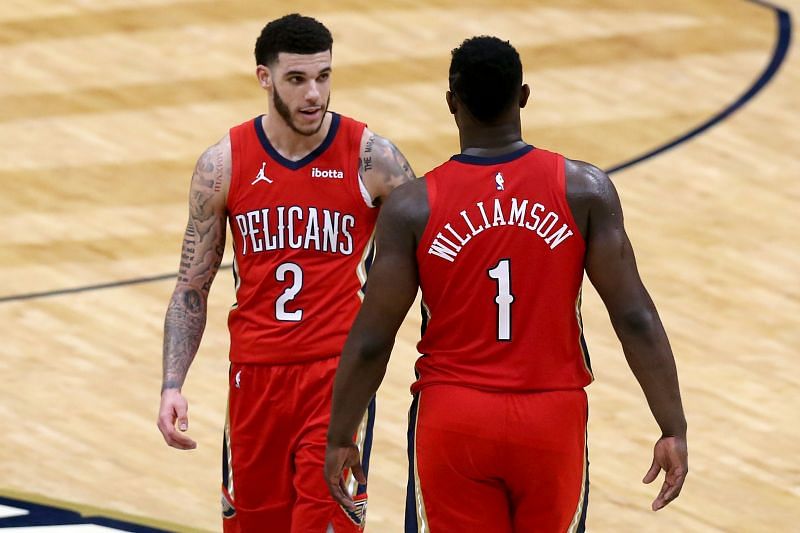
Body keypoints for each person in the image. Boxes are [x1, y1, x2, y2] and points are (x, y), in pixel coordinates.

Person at [325, 36, 688, 532]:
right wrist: (673, 427)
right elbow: (634, 317)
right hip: (552, 416)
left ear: (452, 103)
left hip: (454, 416)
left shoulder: (413, 206)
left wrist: (340, 435)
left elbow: (371, 341)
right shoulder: (584, 189)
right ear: (523, 96)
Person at [156, 13, 416, 533]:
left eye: (323, 76)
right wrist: (172, 384)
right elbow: (192, 285)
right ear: (265, 78)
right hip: (253, 379)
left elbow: (431, 256)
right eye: (297, 79)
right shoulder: (223, 164)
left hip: (336, 379)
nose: (314, 93)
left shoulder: (371, 158)